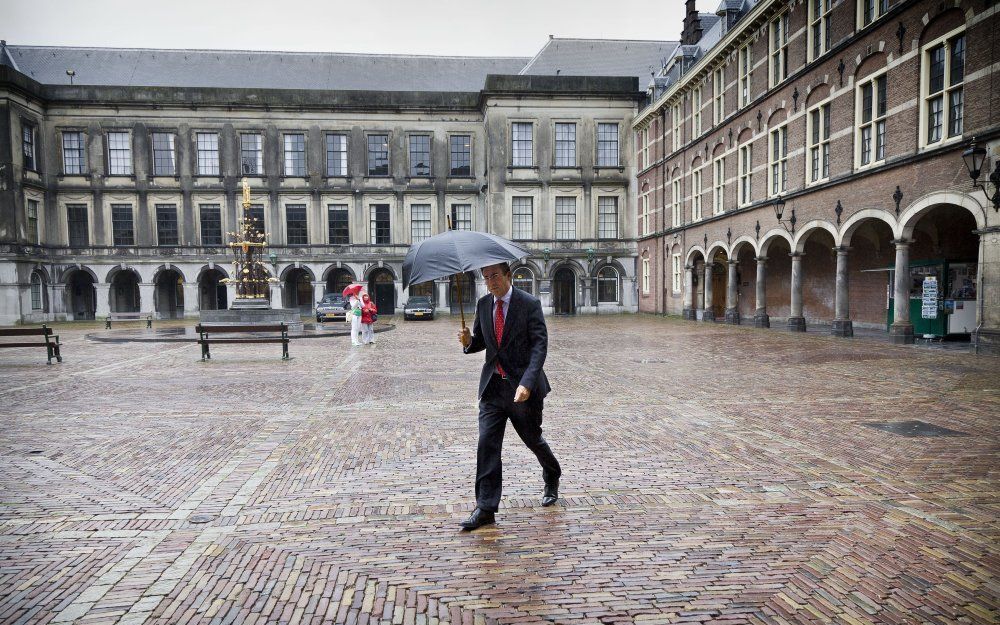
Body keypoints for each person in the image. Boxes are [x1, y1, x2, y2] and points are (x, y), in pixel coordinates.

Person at [457, 261, 561, 531]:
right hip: (493, 388)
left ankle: (552, 473)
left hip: (522, 389)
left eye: (494, 276)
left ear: (508, 276)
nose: (490, 282)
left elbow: (540, 346)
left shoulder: (529, 304)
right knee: (487, 444)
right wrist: (469, 342)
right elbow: (482, 341)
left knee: (532, 439)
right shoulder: (483, 305)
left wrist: (527, 383)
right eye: (486, 277)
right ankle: (486, 508)